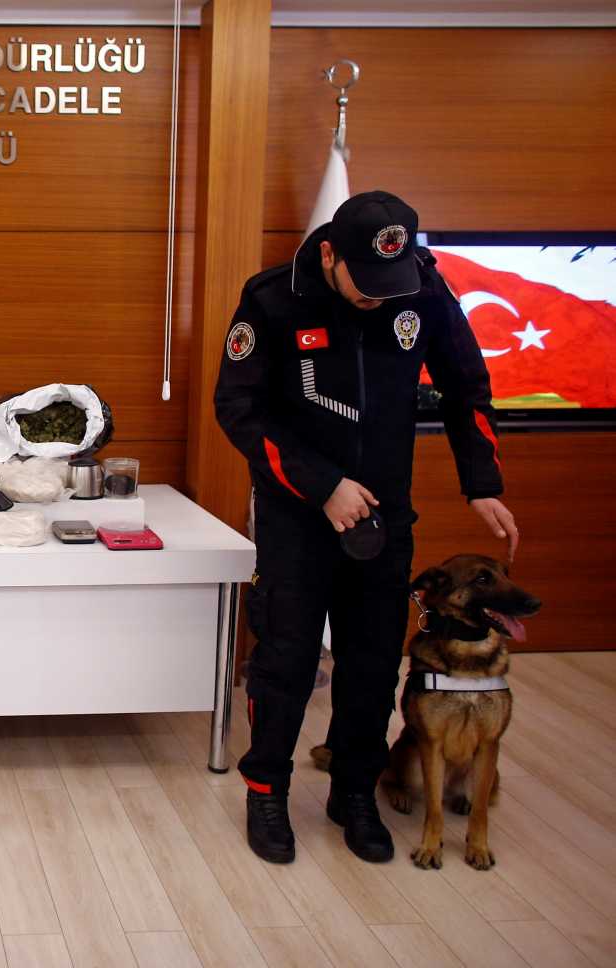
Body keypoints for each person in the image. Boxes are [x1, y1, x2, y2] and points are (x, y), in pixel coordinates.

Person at [214, 191, 519, 865]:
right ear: (329, 254)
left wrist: (482, 483)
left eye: (392, 282)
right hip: (298, 514)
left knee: (374, 664)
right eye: (366, 281)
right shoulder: (273, 299)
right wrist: (323, 485)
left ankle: (354, 791)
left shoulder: (422, 288)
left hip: (386, 514)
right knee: (286, 660)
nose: (380, 296)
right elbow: (238, 407)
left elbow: (466, 385)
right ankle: (266, 790)